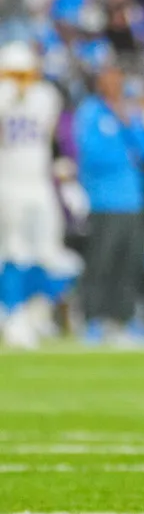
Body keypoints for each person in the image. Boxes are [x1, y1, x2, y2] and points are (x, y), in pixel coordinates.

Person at [73, 64, 144, 341]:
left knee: (129, 262)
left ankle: (123, 317)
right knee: (101, 261)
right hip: (103, 199)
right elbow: (91, 153)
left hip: (132, 199)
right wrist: (123, 153)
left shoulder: (130, 112)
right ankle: (92, 318)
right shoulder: (90, 111)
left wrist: (126, 125)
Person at [0, 41, 67, 348]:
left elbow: (48, 133)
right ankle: (12, 313)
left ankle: (32, 312)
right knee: (13, 249)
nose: (20, 81)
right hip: (9, 182)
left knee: (45, 249)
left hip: (38, 182)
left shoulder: (46, 97)